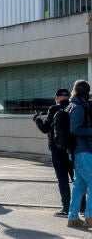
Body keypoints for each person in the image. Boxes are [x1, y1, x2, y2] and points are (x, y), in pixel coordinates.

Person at [33, 88, 77, 218]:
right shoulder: (74, 107)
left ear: (57, 97)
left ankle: (66, 208)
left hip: (57, 149)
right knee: (76, 179)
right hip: (73, 148)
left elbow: (45, 128)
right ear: (68, 96)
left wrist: (37, 119)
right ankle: (81, 206)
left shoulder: (54, 109)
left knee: (62, 179)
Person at [67, 80, 92, 228]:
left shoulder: (74, 105)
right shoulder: (78, 107)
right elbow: (75, 129)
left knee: (79, 186)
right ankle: (89, 216)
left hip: (77, 152)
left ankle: (73, 218)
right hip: (82, 151)